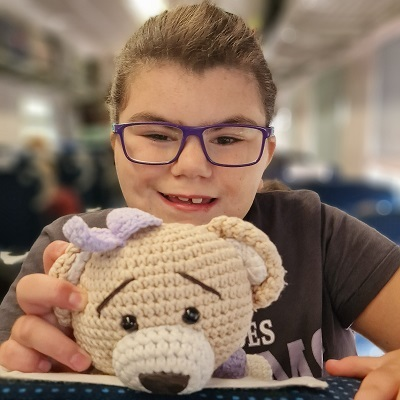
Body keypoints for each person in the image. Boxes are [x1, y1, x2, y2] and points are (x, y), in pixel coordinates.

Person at [0, 1, 400, 397]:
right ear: (116, 146)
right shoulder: (70, 252)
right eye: (157, 135)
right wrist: (43, 375)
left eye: (227, 139)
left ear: (266, 154)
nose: (192, 166)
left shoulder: (316, 235)